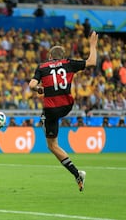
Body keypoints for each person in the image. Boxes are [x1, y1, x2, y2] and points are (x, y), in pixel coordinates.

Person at [29, 31, 98, 192]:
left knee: (52, 145)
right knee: (54, 137)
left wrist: (40, 89)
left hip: (51, 109)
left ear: (50, 56)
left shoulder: (42, 67)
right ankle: (78, 175)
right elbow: (92, 62)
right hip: (67, 106)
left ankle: (76, 174)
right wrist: (92, 45)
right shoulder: (68, 63)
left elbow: (32, 85)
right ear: (62, 56)